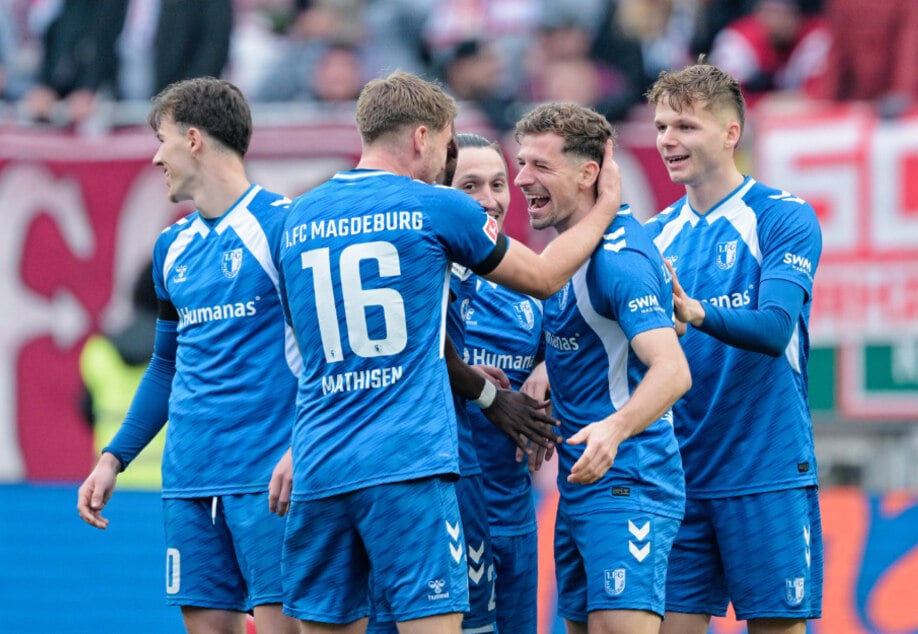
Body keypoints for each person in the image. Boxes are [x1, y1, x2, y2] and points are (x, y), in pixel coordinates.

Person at [278, 70, 621, 634]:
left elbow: (304, 346)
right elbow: (540, 278)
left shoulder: (297, 218)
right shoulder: (436, 206)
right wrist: (604, 208)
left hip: (320, 463)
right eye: (446, 144)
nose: (446, 160)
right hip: (406, 462)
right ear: (421, 137)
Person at [77, 77, 300, 634]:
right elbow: (167, 366)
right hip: (189, 481)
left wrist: (305, 447)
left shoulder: (283, 226)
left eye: (163, 138)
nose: (156, 156)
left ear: (195, 139)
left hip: (267, 478)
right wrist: (113, 458)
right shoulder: (170, 247)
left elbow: (326, 357)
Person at [644, 62, 823, 634]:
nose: (668, 140)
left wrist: (694, 311)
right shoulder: (652, 239)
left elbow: (774, 330)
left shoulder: (782, 216)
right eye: (661, 126)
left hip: (764, 468)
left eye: (685, 126)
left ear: (730, 133)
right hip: (680, 477)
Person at [513, 102, 691, 634]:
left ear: (589, 173)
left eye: (540, 166)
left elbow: (672, 370)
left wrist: (614, 429)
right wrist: (545, 367)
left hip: (626, 483)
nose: (522, 179)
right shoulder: (571, 250)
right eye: (522, 163)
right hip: (582, 485)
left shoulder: (620, 257)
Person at [451, 132, 545, 634]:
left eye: (497, 183)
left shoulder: (528, 294)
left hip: (513, 517)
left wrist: (549, 368)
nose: (489, 199)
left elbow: (579, 348)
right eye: (470, 186)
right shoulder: (419, 286)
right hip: (442, 520)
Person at [79, 260, 165, 489]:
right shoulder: (187, 352)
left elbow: (88, 414)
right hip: (172, 488)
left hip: (109, 484)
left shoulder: (98, 351)